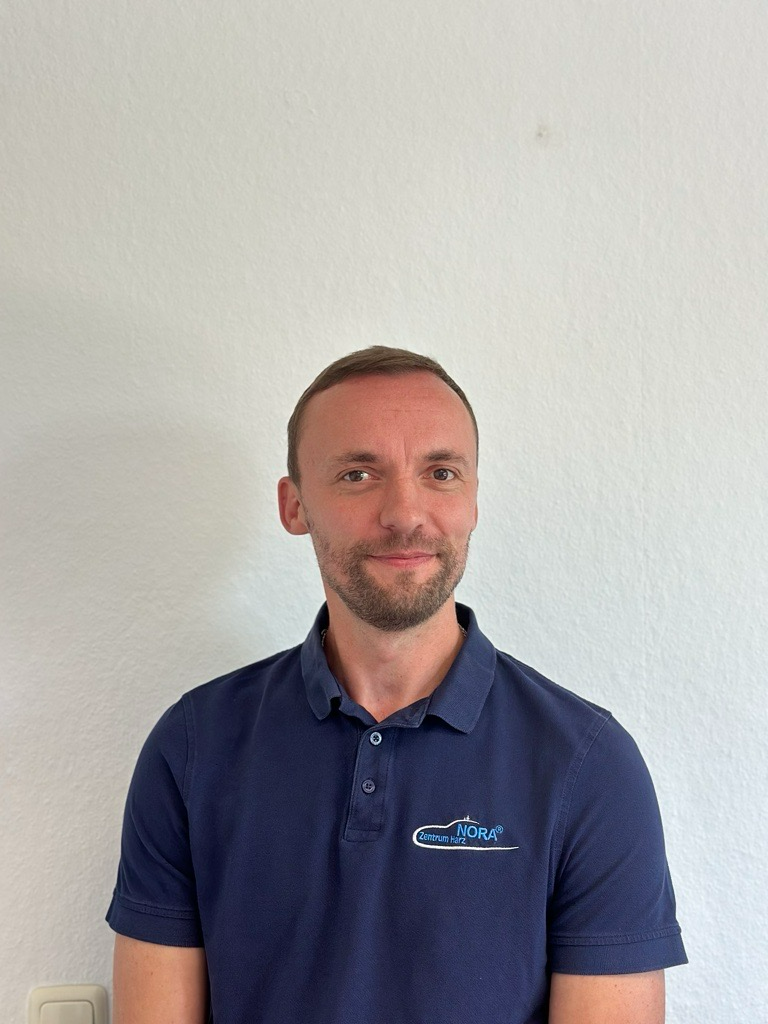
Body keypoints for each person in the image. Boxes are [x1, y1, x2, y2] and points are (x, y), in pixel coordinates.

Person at [107, 346, 686, 1023]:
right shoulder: (192, 746)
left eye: (440, 473)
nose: (406, 514)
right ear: (295, 505)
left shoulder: (587, 764)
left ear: (473, 500)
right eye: (358, 474)